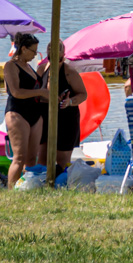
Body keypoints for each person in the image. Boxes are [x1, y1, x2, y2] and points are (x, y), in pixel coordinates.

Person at [36, 39, 87, 177]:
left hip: (66, 117)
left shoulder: (69, 72)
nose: (53, 54)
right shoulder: (41, 70)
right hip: (45, 116)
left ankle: (61, 183)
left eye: (57, 52)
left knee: (62, 160)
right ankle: (44, 184)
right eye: (50, 51)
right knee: (42, 159)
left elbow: (83, 94)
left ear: (63, 54)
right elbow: (36, 93)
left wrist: (70, 101)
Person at [2, 33, 48, 187]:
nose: (35, 54)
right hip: (17, 112)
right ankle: (11, 191)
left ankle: (26, 187)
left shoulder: (28, 66)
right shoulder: (11, 66)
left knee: (32, 158)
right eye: (33, 51)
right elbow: (15, 92)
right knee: (19, 157)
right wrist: (41, 92)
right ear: (23, 49)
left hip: (35, 113)